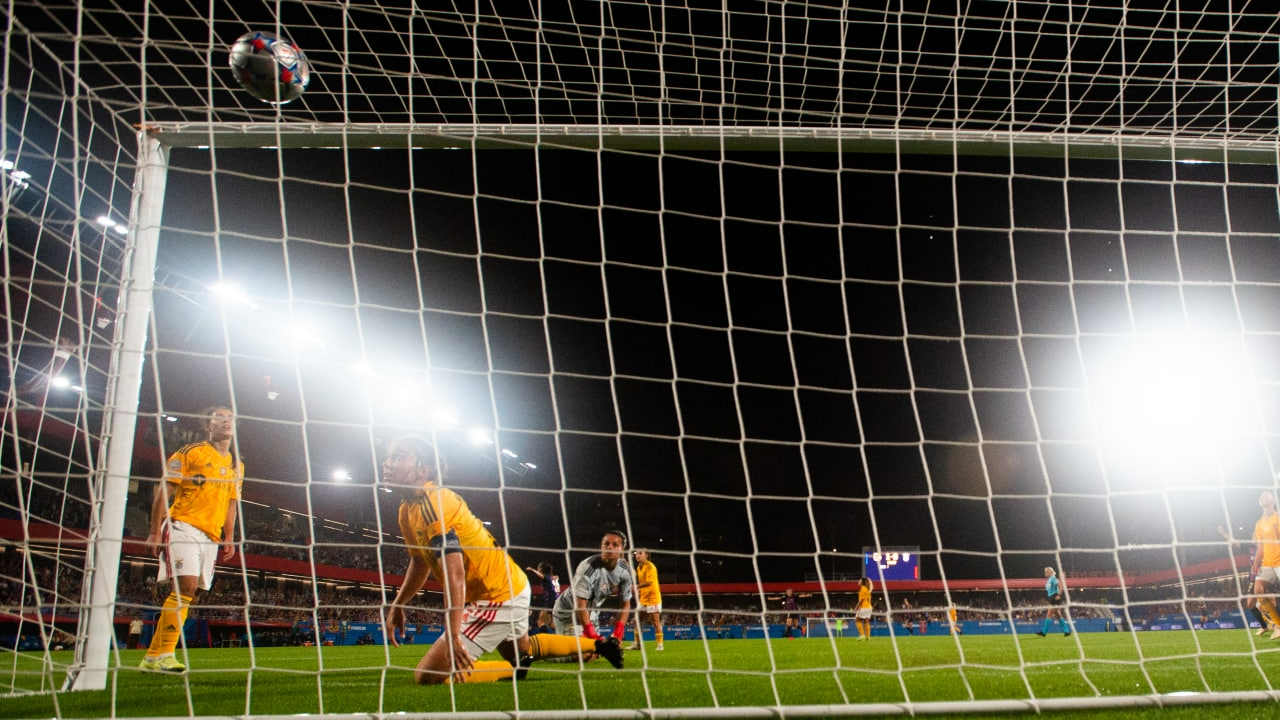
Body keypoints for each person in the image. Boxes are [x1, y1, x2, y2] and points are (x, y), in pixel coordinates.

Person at [381, 435, 622, 684]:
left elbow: (455, 574)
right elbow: (419, 562)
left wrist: (453, 635)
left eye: (398, 457)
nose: (387, 463)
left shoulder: (434, 501)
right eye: (388, 457)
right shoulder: (407, 511)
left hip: (497, 594)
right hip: (511, 584)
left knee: (428, 676)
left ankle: (512, 671)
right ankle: (599, 645)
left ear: (424, 469)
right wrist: (398, 604)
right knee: (522, 652)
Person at [139, 406, 243, 673]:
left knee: (190, 594)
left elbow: (232, 504)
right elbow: (165, 488)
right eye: (219, 417)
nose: (226, 421)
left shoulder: (237, 465)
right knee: (186, 587)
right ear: (207, 425)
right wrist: (154, 529)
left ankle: (152, 657)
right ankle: (166, 655)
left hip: (211, 535)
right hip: (182, 525)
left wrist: (229, 536)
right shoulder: (190, 452)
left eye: (230, 417)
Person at [552, 530, 633, 647]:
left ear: (622, 549)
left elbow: (626, 604)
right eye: (606, 544)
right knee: (584, 653)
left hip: (592, 613)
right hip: (568, 613)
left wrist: (618, 634)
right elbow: (580, 606)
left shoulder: (625, 571)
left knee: (599, 651)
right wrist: (594, 636)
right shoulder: (587, 568)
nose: (609, 547)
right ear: (601, 546)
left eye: (615, 545)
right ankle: (543, 648)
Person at [1217, 524, 1270, 635]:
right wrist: (1222, 533)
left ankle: (1275, 624)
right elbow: (1233, 541)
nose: (1255, 539)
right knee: (1250, 604)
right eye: (1253, 537)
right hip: (1253, 578)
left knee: (1266, 602)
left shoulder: (1266, 548)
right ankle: (1265, 626)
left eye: (1257, 537)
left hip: (1264, 577)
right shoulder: (1249, 548)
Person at [1250, 491, 1280, 640]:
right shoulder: (1259, 524)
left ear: (1273, 500)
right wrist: (1256, 563)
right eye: (1260, 496)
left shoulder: (1278, 518)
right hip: (1267, 562)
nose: (1262, 497)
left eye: (1265, 495)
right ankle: (1278, 626)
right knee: (1258, 590)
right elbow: (1260, 546)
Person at [629, 548, 664, 651]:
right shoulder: (639, 567)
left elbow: (649, 582)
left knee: (655, 621)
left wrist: (636, 587)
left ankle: (660, 645)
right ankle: (637, 644)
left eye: (640, 553)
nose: (637, 555)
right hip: (644, 598)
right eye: (636, 553)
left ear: (646, 555)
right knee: (637, 620)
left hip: (653, 598)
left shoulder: (650, 566)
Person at [1035, 567, 1072, 637]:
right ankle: (1066, 631)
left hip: (1055, 598)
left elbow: (1060, 586)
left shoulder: (1053, 579)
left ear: (1051, 572)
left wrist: (1058, 594)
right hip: (1052, 598)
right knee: (1058, 615)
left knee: (1049, 614)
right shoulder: (1049, 580)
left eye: (1047, 571)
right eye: (1045, 571)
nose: (1045, 572)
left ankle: (1044, 632)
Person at [524, 561, 560, 634]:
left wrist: (531, 569)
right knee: (551, 623)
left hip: (551, 601)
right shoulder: (553, 578)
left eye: (538, 567)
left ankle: (545, 637)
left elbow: (541, 575)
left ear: (540, 569)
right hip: (556, 601)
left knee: (540, 621)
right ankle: (562, 634)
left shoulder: (547, 578)